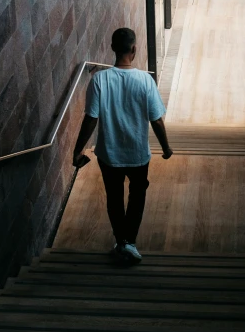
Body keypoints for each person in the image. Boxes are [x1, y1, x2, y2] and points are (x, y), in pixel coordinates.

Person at [72, 28, 173, 263]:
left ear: (112, 48)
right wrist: (166, 148)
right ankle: (130, 242)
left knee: (114, 199)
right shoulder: (145, 80)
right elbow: (156, 119)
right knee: (137, 198)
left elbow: (91, 119)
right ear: (134, 49)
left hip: (109, 155)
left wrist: (78, 149)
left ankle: (121, 241)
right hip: (138, 154)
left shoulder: (99, 80)